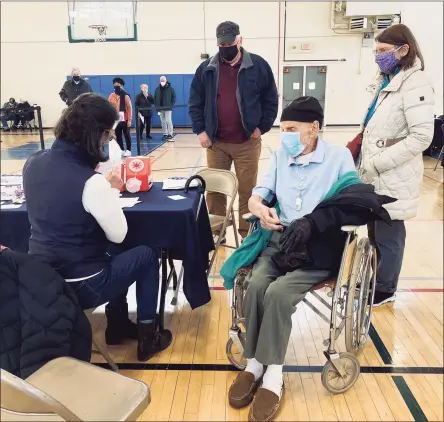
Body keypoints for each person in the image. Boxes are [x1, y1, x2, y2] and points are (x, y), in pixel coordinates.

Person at [227, 97, 356, 421]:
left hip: (318, 248)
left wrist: (314, 223)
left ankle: (274, 375)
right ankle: (256, 362)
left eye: (291, 129)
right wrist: (258, 207)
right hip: (280, 242)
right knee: (256, 285)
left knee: (279, 294)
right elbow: (259, 195)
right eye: (282, 129)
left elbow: (352, 203)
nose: (284, 136)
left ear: (314, 129)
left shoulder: (339, 158)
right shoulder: (281, 155)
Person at [22, 93, 172, 362]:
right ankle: (149, 338)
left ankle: (117, 326)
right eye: (108, 135)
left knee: (114, 251)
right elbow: (119, 232)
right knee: (146, 254)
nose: (109, 140)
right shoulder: (91, 182)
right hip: (82, 285)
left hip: (42, 280)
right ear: (96, 135)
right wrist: (111, 189)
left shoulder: (32, 163)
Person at [359, 24, 434, 306]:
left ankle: (385, 289)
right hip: (376, 171)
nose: (378, 57)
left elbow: (421, 137)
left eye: (383, 51)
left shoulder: (416, 84)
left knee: (389, 233)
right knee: (375, 231)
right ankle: (375, 278)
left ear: (403, 50)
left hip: (393, 173)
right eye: (376, 51)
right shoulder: (388, 79)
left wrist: (378, 163)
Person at [189, 21, 278, 240]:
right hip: (216, 143)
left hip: (247, 142)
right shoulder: (206, 69)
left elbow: (270, 100)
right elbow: (195, 102)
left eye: (230, 42)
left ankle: (246, 234)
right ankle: (216, 233)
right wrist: (201, 130)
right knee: (215, 191)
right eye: (222, 44)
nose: (226, 47)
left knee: (248, 190)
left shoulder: (258, 66)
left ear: (240, 40)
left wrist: (261, 127)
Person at [108, 77, 133, 157]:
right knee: (118, 135)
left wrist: (129, 120)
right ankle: (121, 150)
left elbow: (129, 108)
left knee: (126, 134)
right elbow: (109, 106)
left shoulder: (126, 96)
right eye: (115, 84)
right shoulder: (111, 96)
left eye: (118, 85)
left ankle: (128, 150)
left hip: (124, 118)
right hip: (116, 119)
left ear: (122, 86)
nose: (116, 86)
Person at [154, 76, 176, 140]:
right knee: (162, 121)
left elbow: (174, 97)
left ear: (166, 81)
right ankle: (165, 134)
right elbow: (155, 98)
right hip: (160, 108)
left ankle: (170, 134)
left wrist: (171, 105)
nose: (162, 82)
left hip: (168, 108)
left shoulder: (170, 89)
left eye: (163, 80)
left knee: (168, 121)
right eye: (161, 80)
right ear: (159, 81)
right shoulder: (157, 89)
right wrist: (156, 106)